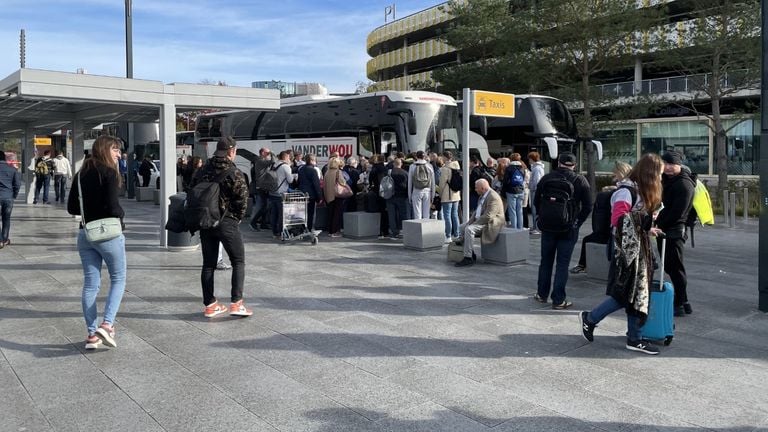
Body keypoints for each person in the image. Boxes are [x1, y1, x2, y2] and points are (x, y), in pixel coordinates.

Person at [580, 153, 664, 355]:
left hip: (635, 248)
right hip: (626, 251)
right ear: (650, 174)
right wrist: (644, 223)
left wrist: (647, 228)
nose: (660, 179)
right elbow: (619, 220)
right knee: (628, 293)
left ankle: (631, 335)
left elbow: (628, 222)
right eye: (659, 174)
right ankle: (597, 321)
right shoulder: (626, 192)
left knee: (633, 293)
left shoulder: (635, 190)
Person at [66, 136, 127, 350]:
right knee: (118, 278)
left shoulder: (80, 174)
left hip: (86, 234)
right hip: (108, 234)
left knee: (91, 284)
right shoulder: (110, 173)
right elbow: (113, 206)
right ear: (104, 149)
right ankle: (107, 325)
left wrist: (90, 208)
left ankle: (92, 335)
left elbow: (72, 208)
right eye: (115, 149)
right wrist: (121, 213)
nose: (119, 154)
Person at [189, 137, 252, 318]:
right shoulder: (234, 172)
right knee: (238, 261)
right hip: (227, 221)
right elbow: (242, 199)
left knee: (208, 264)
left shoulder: (202, 169)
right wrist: (237, 218)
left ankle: (210, 304)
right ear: (232, 151)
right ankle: (236, 303)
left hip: (206, 221)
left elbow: (191, 189)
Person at [533, 152, 592, 309]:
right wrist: (577, 223)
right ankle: (558, 300)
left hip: (547, 227)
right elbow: (588, 206)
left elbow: (536, 200)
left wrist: (541, 217)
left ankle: (541, 294)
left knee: (545, 261)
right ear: (574, 165)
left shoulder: (547, 178)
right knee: (562, 264)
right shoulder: (580, 180)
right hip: (568, 228)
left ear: (558, 162)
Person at [571, 161, 632, 274]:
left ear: (620, 172)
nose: (613, 175)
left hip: (614, 229)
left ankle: (582, 265)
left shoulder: (622, 191)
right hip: (620, 228)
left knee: (587, 239)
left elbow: (615, 215)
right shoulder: (629, 186)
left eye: (615, 173)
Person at [655, 150, 695, 317]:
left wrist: (658, 222)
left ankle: (680, 303)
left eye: (672, 164)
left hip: (674, 230)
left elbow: (678, 212)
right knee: (670, 267)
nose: (668, 167)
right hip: (665, 229)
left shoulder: (684, 184)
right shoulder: (666, 180)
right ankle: (684, 302)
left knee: (676, 268)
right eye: (665, 164)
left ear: (679, 165)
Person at [453, 178, 506, 267]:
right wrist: (470, 222)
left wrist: (473, 224)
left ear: (482, 188)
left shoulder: (493, 197)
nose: (475, 189)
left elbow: (489, 216)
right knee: (462, 227)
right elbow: (477, 211)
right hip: (481, 221)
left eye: (476, 188)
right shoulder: (483, 195)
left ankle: (468, 258)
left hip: (491, 223)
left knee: (469, 229)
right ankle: (470, 253)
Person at [269, 150, 293, 240]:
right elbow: (290, 180)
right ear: (286, 157)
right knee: (281, 214)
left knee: (273, 213)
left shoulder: (274, 165)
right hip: (281, 193)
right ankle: (280, 232)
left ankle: (274, 232)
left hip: (272, 192)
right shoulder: (286, 166)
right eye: (289, 157)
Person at [0, 151, 21, 249]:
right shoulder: (12, 169)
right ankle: (4, 239)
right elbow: (17, 184)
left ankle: (0, 240)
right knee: (6, 218)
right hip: (8, 197)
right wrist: (14, 195)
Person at [323, 157, 348, 238]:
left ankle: (330, 231)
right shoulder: (338, 172)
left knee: (330, 214)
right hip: (337, 195)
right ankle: (334, 231)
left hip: (328, 195)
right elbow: (343, 182)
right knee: (337, 214)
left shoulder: (327, 172)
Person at [502, 153, 528, 230]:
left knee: (512, 210)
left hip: (511, 191)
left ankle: (514, 228)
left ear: (511, 159)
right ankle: (520, 228)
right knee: (519, 211)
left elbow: (506, 181)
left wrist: (504, 190)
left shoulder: (509, 168)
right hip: (520, 191)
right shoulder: (522, 168)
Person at [438, 155, 461, 243]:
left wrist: (440, 194)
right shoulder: (457, 167)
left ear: (445, 158)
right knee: (455, 215)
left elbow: (442, 184)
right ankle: (457, 234)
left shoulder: (445, 169)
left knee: (447, 215)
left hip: (447, 195)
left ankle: (448, 236)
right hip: (456, 195)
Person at [249, 147, 273, 231]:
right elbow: (272, 162)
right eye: (267, 153)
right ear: (262, 153)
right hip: (261, 186)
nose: (268, 154)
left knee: (265, 205)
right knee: (264, 206)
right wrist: (272, 154)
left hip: (264, 186)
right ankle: (253, 222)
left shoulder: (261, 161)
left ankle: (263, 223)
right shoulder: (260, 161)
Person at [386, 158, 409, 239]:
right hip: (402, 196)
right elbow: (408, 185)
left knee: (391, 215)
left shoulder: (389, 172)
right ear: (401, 164)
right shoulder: (405, 173)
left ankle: (394, 232)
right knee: (403, 214)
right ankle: (403, 230)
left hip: (390, 196)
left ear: (393, 164)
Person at [408, 150, 435, 219]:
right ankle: (426, 225)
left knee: (417, 214)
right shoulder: (429, 166)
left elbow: (410, 182)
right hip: (427, 191)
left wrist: (409, 195)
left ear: (416, 157)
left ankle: (418, 226)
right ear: (424, 157)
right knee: (426, 214)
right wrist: (433, 195)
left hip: (416, 191)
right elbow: (433, 182)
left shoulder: (412, 166)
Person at [298, 153, 322, 231]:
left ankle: (303, 228)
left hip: (302, 194)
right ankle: (309, 228)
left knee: (303, 213)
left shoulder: (301, 169)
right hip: (311, 195)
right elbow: (316, 185)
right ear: (312, 160)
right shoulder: (313, 170)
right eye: (315, 160)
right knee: (310, 213)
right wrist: (319, 197)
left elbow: (299, 182)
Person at [369, 154, 390, 238]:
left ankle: (379, 230)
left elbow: (370, 181)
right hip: (384, 192)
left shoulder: (373, 169)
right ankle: (385, 230)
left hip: (376, 191)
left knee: (378, 211)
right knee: (384, 212)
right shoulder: (385, 169)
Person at [528, 151, 545, 235]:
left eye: (529, 159)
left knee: (535, 209)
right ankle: (535, 227)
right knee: (535, 209)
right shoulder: (538, 167)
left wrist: (531, 187)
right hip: (536, 190)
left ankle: (537, 228)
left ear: (532, 159)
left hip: (535, 191)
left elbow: (536, 181)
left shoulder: (536, 168)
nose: (529, 160)